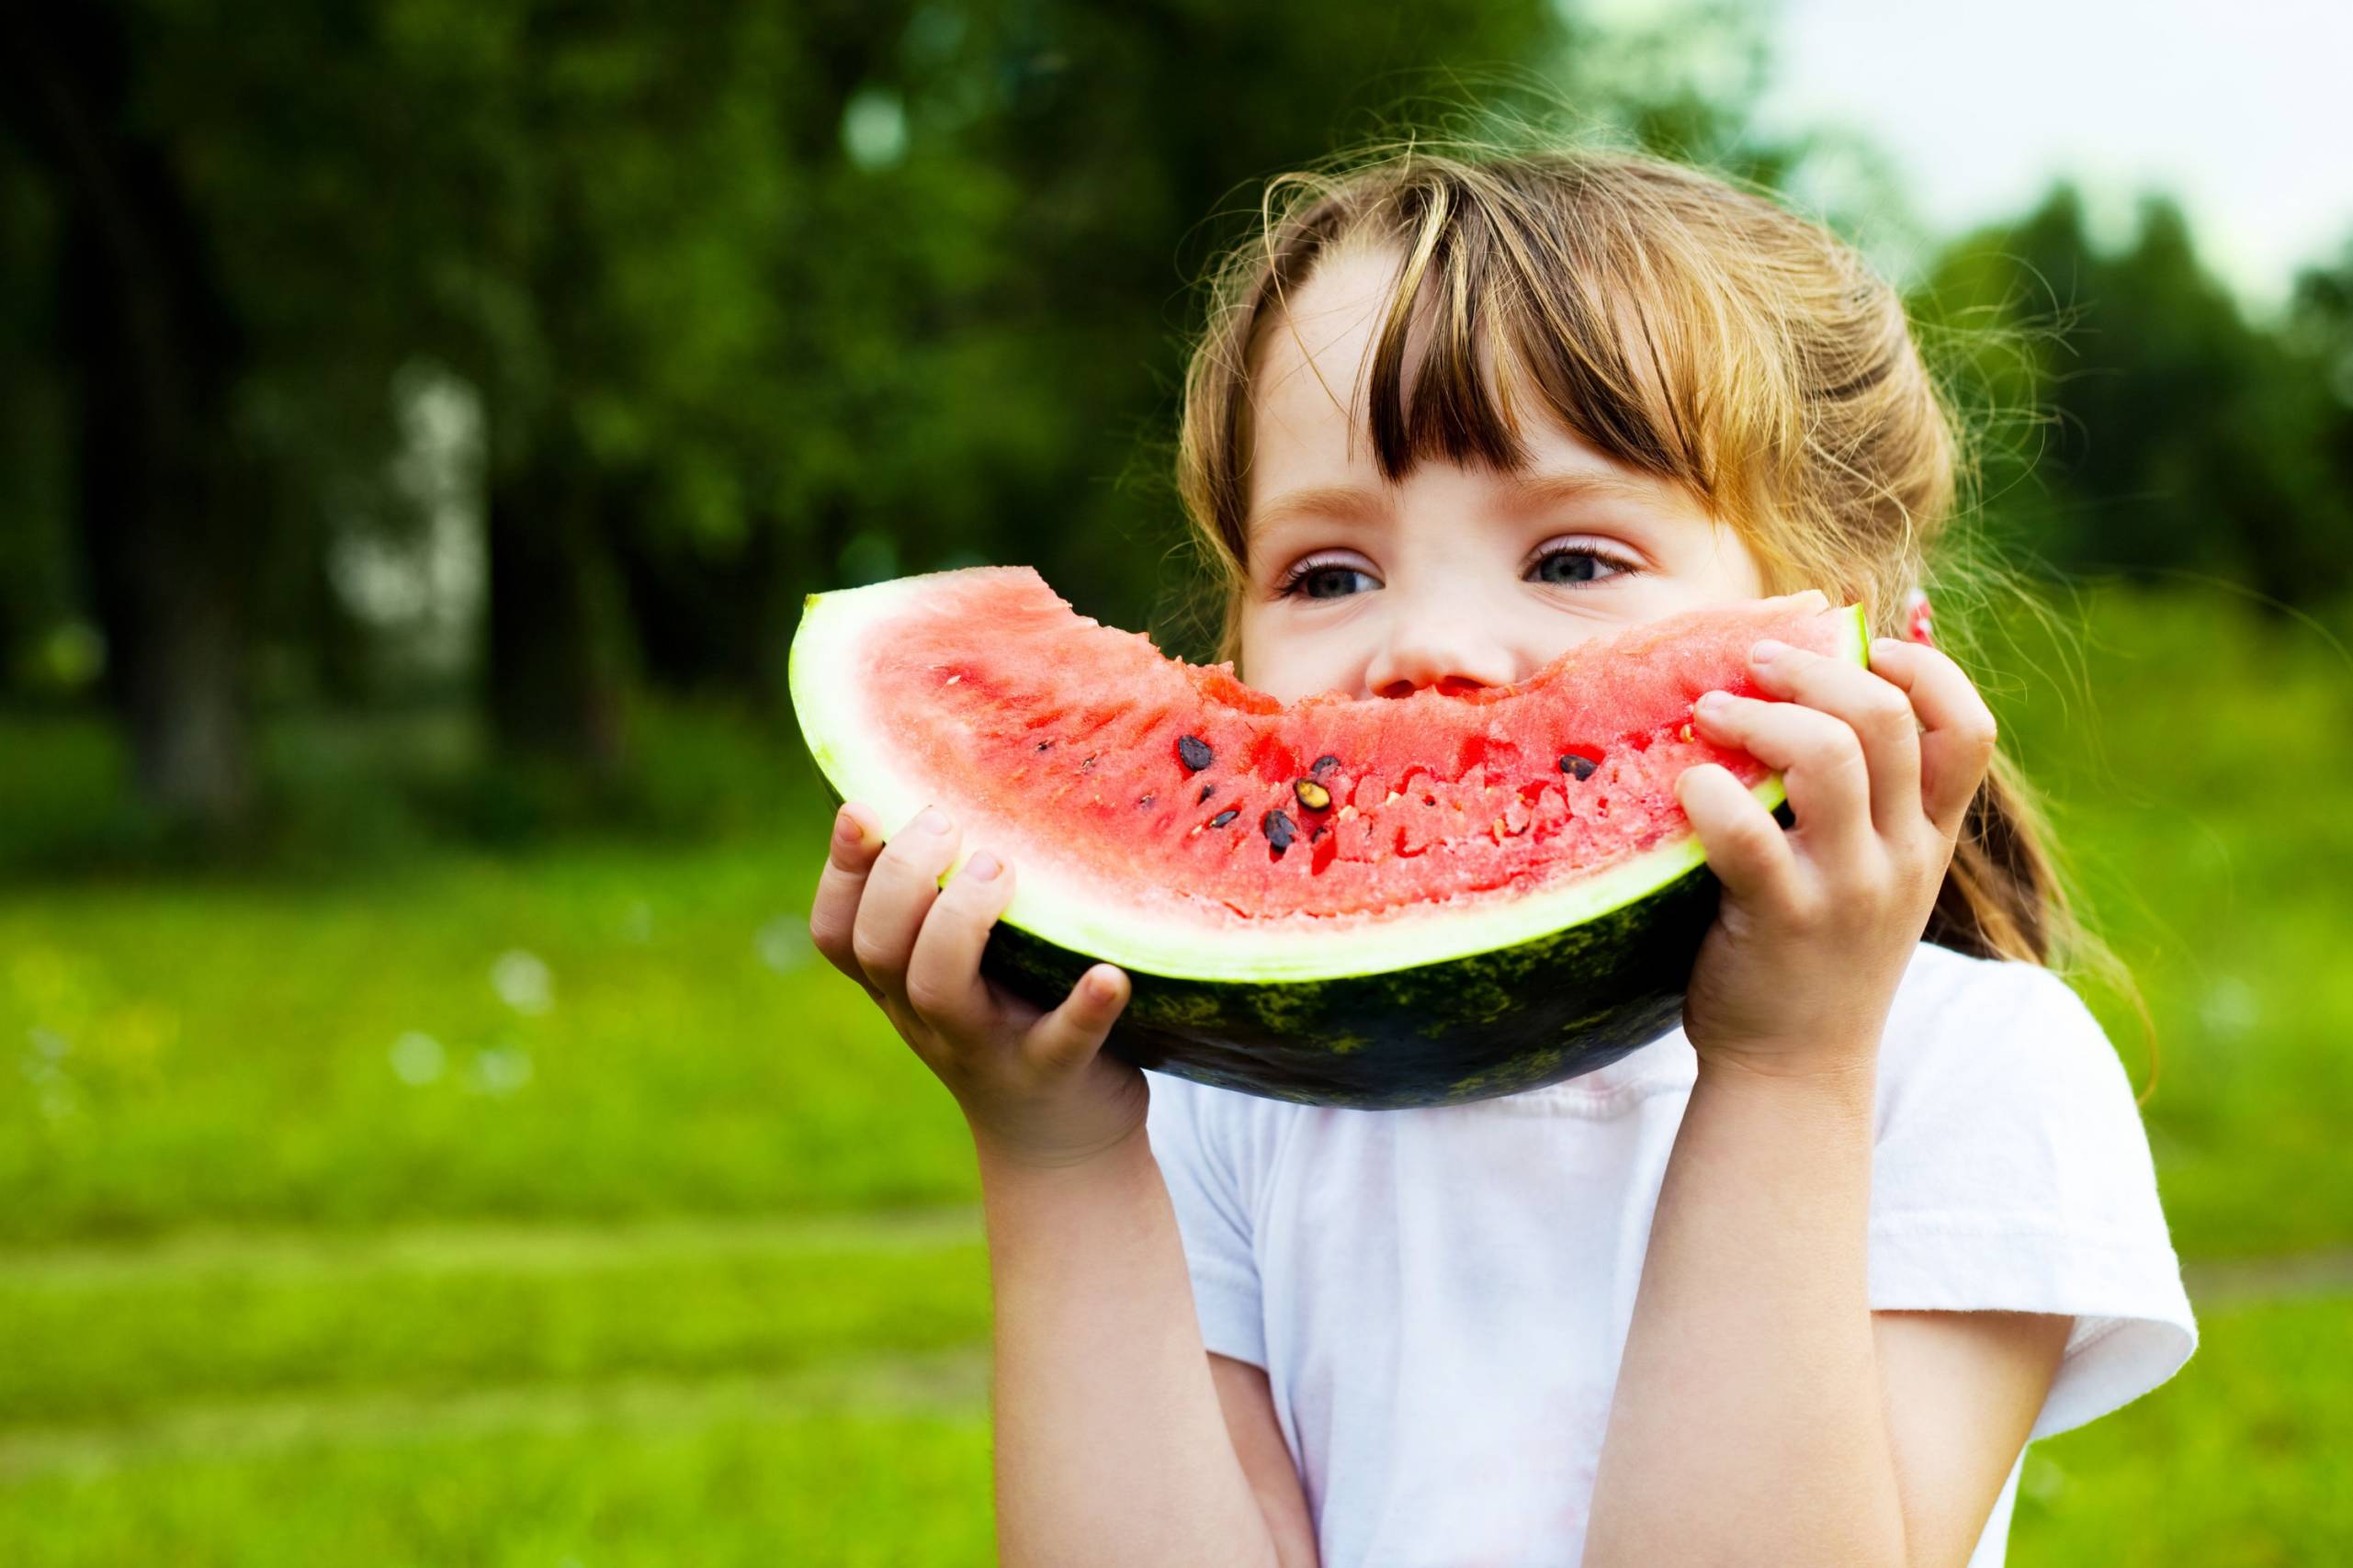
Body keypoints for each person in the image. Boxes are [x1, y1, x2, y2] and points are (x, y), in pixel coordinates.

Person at [808, 141, 2195, 1567]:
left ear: (1851, 633)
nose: (1425, 647)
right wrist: (1061, 1157)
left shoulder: (1968, 1072)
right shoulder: (1227, 1106)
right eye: (1327, 574)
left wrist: (1790, 1066)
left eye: (1572, 559)